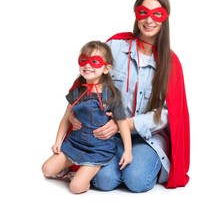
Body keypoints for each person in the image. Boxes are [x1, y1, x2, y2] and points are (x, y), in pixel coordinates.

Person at [68, 0, 190, 192]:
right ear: (136, 14)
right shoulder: (114, 46)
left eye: (157, 14)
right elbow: (88, 79)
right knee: (105, 181)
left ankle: (140, 164)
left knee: (137, 180)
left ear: (165, 18)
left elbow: (169, 115)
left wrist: (126, 124)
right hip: (107, 135)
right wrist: (74, 111)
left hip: (147, 138)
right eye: (144, 12)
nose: (149, 20)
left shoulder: (170, 63)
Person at [42, 41, 133, 194]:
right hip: (74, 144)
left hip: (98, 150)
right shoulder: (77, 91)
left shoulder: (112, 94)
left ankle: (83, 178)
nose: (88, 65)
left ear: (106, 68)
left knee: (76, 188)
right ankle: (71, 172)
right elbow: (66, 117)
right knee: (47, 169)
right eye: (84, 60)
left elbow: (122, 123)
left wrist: (128, 151)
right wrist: (58, 142)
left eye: (95, 62)